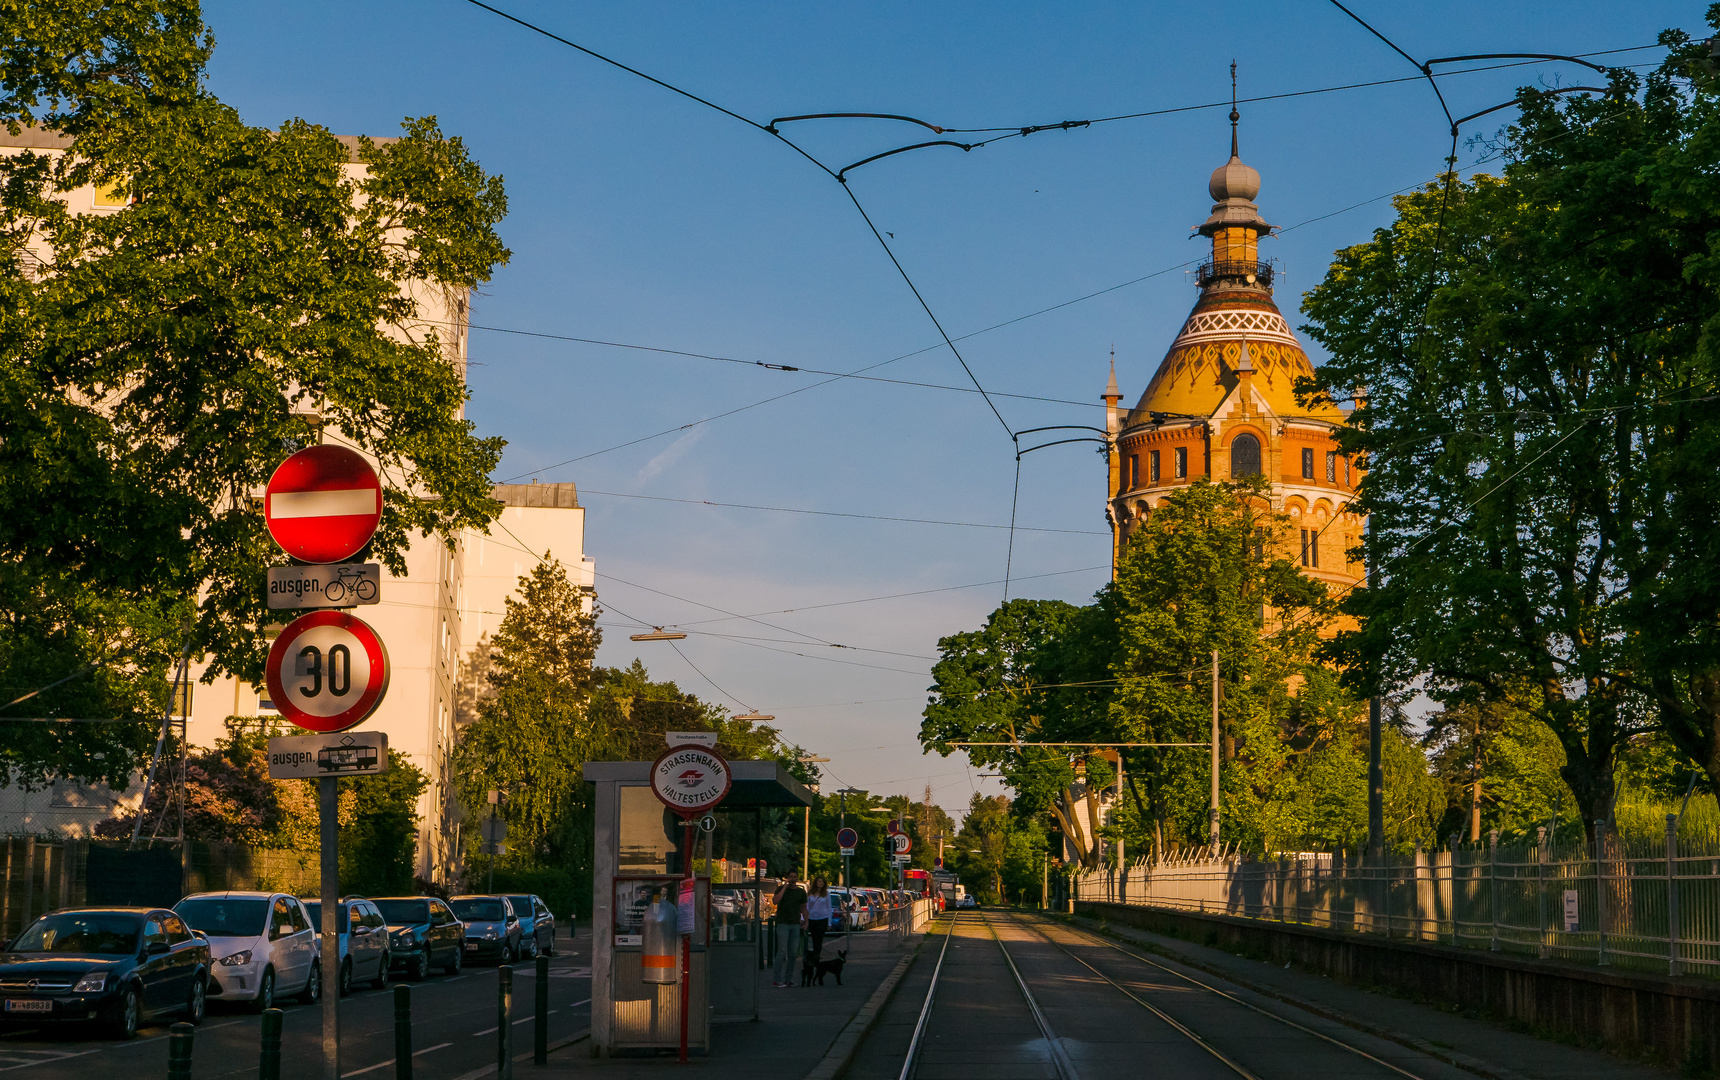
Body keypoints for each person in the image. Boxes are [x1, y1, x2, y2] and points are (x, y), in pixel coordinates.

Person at [771, 871, 807, 988]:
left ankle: (788, 978)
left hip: (795, 924)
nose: (792, 879)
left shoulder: (801, 892)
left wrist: (806, 921)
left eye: (794, 877)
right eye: (790, 877)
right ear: (787, 878)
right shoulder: (781, 889)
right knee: (781, 951)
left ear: (797, 878)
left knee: (793, 953)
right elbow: (775, 901)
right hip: (783, 923)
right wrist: (785, 887)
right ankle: (777, 979)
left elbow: (803, 908)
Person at [804, 876, 831, 964]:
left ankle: (817, 956)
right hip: (812, 918)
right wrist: (804, 918)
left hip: (822, 918)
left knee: (819, 939)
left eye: (822, 882)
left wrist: (829, 923)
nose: (821, 883)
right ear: (816, 882)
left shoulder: (826, 894)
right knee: (814, 937)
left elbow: (829, 908)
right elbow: (807, 906)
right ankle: (814, 955)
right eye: (819, 881)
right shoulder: (810, 893)